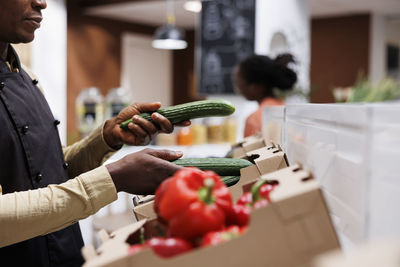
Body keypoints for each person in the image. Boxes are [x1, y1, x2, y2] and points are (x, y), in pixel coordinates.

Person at [0, 0, 190, 266]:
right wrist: (113, 178)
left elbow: (47, 169)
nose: (41, 2)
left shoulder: (26, 77)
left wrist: (107, 138)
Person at [234, 53, 297, 137]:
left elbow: (252, 150)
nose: (238, 90)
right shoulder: (287, 111)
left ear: (257, 86)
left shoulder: (254, 120)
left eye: (239, 84)